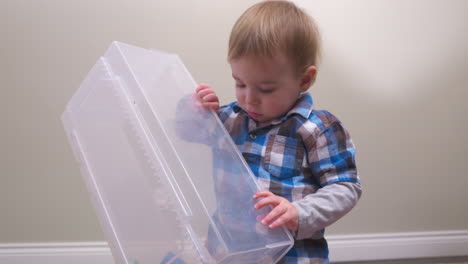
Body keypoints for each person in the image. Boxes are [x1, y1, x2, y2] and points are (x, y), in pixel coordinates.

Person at [195, 1, 361, 263]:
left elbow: (345, 188)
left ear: (304, 80)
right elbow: (184, 133)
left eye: (266, 89)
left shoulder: (318, 129)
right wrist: (194, 108)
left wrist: (300, 213)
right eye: (240, 83)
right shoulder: (229, 119)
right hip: (229, 251)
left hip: (292, 254)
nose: (249, 100)